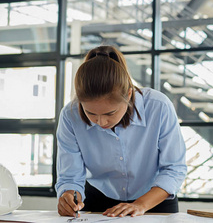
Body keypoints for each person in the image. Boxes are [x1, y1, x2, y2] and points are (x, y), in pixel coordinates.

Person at [55, 45, 187, 218]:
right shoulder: (70, 115)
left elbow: (174, 168)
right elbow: (70, 176)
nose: (101, 122)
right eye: (91, 113)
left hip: (154, 199)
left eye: (110, 113)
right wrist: (69, 196)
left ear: (129, 94)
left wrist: (140, 205)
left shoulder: (158, 106)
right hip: (99, 199)